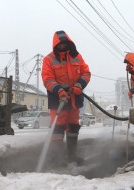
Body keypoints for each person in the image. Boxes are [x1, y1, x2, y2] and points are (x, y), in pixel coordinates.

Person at [41, 30, 91, 164]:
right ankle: (56, 158)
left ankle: (71, 156)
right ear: (55, 45)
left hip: (74, 99)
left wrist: (79, 85)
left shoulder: (77, 57)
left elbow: (86, 73)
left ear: (69, 43)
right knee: (57, 128)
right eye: (60, 44)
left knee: (73, 128)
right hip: (58, 100)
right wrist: (59, 90)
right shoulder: (49, 59)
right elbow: (47, 78)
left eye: (65, 44)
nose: (62, 46)